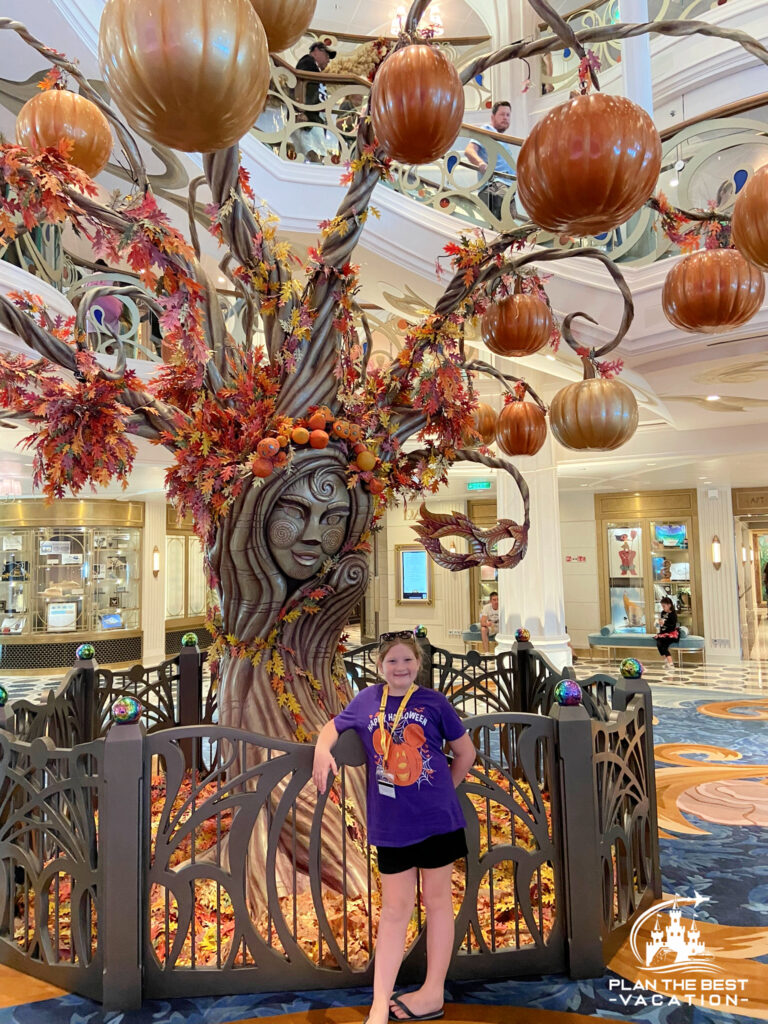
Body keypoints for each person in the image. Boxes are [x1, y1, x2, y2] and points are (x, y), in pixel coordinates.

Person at [313, 631, 476, 1024]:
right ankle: (378, 1004)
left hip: (437, 821)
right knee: (394, 911)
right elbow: (332, 727)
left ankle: (433, 992)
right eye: (392, 662)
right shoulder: (367, 700)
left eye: (407, 661)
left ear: (418, 663)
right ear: (379, 666)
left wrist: (440, 793)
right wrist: (321, 751)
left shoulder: (435, 702)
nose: (400, 668)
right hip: (392, 825)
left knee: (438, 904)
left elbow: (465, 753)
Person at [463, 101, 515, 221]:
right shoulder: (487, 130)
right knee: (505, 224)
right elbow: (469, 150)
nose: (505, 118)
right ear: (493, 117)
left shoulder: (501, 139)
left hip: (506, 187)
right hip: (494, 186)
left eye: (508, 115)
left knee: (508, 224)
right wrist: (481, 164)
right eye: (502, 114)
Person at [294, 41, 337, 161]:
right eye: (327, 55)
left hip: (314, 120)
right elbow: (301, 85)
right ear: (317, 50)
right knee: (314, 157)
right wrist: (302, 112)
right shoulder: (308, 62)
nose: (329, 59)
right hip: (309, 120)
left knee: (317, 156)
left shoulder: (315, 69)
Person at [655, 595, 679, 671]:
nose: (663, 608)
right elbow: (662, 625)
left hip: (671, 633)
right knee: (659, 644)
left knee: (663, 645)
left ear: (669, 605)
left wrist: (664, 623)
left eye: (664, 606)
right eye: (662, 606)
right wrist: (659, 624)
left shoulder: (673, 614)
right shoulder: (662, 612)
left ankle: (670, 663)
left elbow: (672, 626)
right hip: (664, 633)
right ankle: (667, 662)